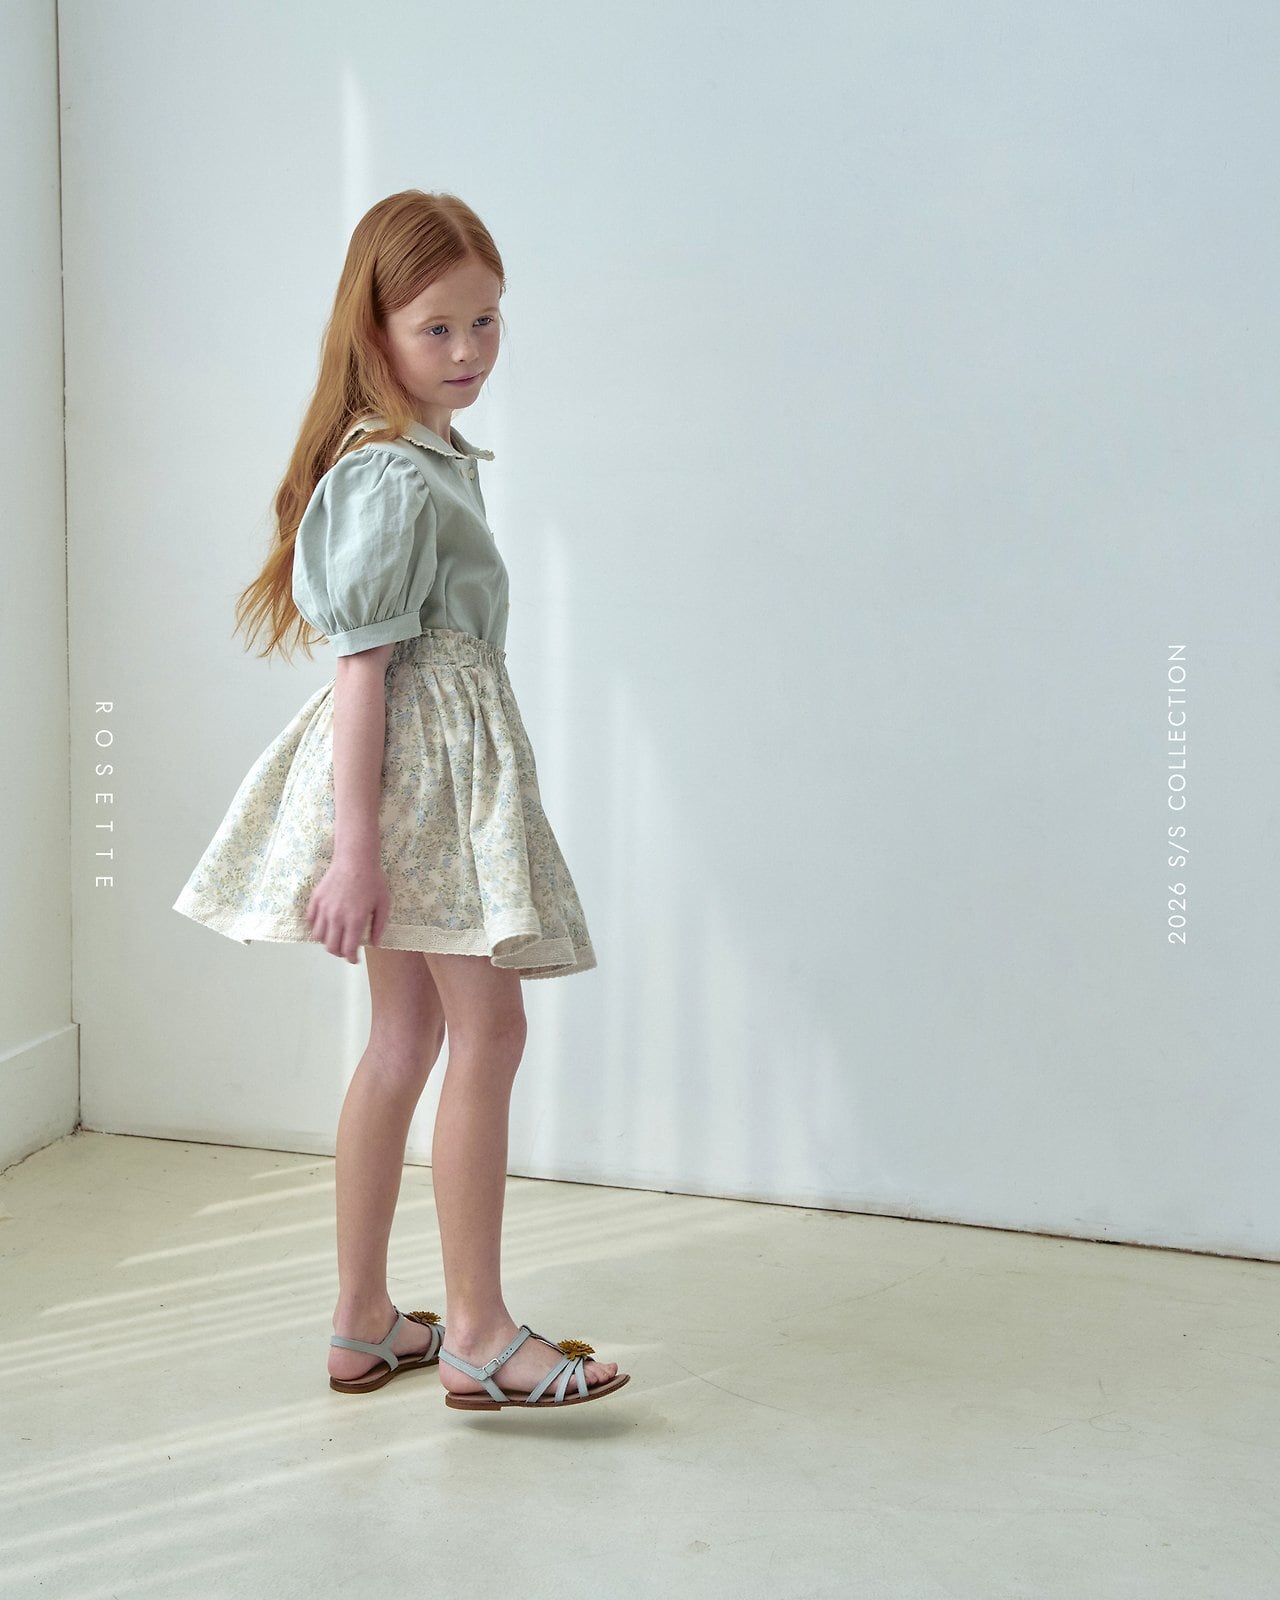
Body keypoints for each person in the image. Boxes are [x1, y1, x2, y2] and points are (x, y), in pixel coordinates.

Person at [172, 190, 629, 1412]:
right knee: (488, 1034)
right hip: (421, 785)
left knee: (406, 1038)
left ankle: (364, 1320)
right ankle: (476, 1333)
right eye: (437, 327)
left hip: (426, 774)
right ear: (372, 329)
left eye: (485, 321)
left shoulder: (420, 459)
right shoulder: (388, 475)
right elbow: (362, 670)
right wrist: (354, 851)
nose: (469, 349)